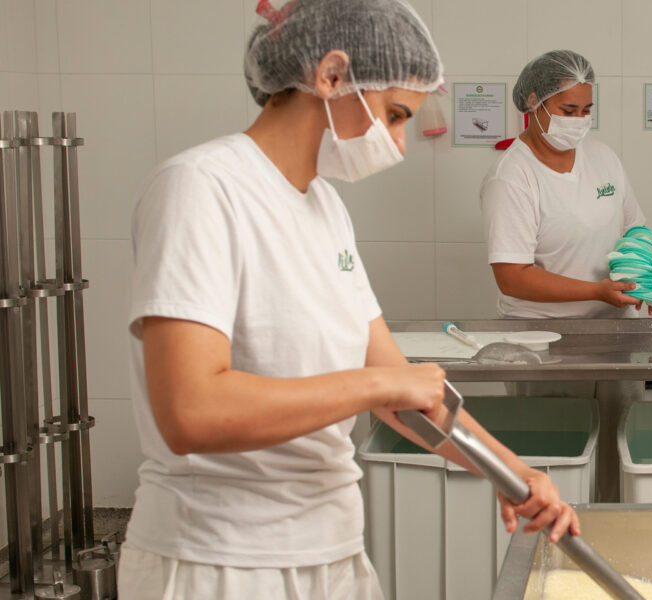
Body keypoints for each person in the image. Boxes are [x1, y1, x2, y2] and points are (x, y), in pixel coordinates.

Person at [119, 2, 577, 598]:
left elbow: (399, 385)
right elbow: (191, 409)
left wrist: (513, 472)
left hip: (330, 549)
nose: (400, 144)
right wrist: (379, 388)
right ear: (331, 77)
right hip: (220, 560)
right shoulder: (202, 188)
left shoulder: (324, 208)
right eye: (393, 115)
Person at [480, 49, 652, 320]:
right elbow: (512, 277)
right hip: (539, 331)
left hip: (613, 324)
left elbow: (634, 229)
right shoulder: (512, 177)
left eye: (586, 110)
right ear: (534, 102)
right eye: (568, 110)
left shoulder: (603, 156)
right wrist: (596, 291)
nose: (578, 121)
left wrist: (643, 277)